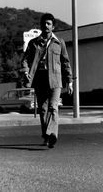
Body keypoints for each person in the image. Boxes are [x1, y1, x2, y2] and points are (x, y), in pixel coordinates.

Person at [21, 13, 73, 148]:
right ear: (41, 25)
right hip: (40, 79)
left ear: (53, 26)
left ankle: (52, 135)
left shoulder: (59, 42)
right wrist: (26, 71)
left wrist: (70, 81)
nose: (46, 26)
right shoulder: (34, 43)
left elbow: (65, 62)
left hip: (56, 80)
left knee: (53, 107)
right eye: (44, 23)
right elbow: (25, 60)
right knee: (43, 110)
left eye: (49, 23)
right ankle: (46, 136)